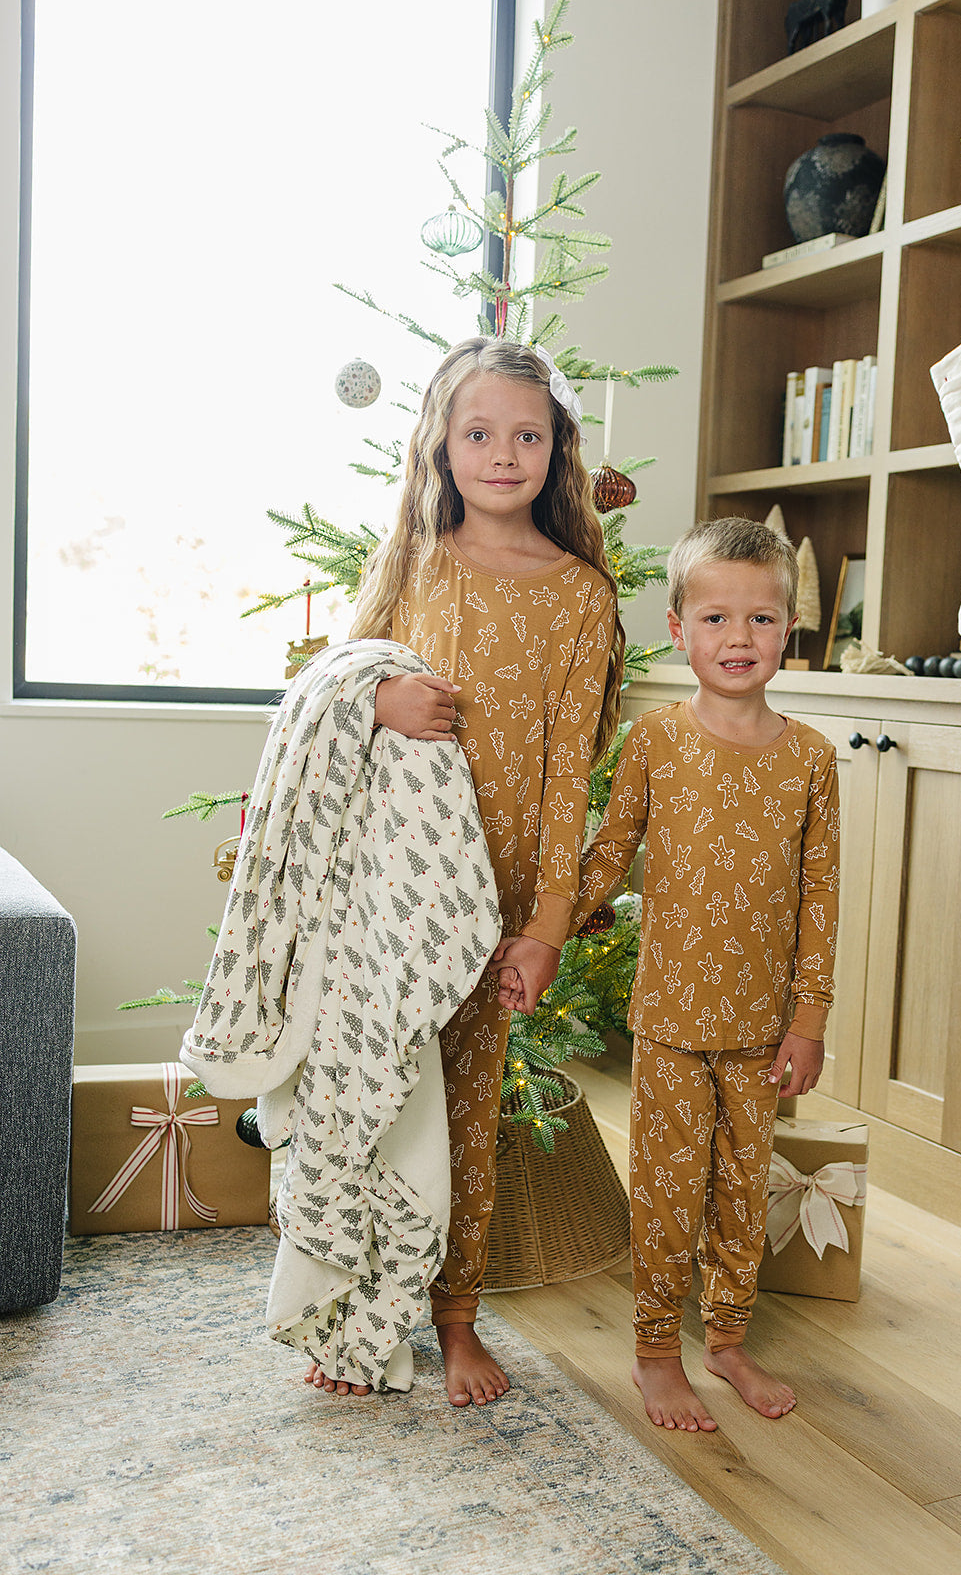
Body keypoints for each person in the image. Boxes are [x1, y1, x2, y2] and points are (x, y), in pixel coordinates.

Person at [306, 335, 624, 1406]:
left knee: (467, 1105)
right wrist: (377, 699)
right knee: (371, 1093)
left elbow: (569, 774)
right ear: (440, 443)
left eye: (526, 436)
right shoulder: (412, 561)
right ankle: (354, 1317)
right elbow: (338, 683)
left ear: (556, 448)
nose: (501, 454)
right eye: (478, 432)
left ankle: (454, 1322)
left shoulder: (579, 594)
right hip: (390, 885)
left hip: (494, 898)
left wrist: (545, 923)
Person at [544, 517, 839, 1433]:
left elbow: (820, 896)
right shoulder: (654, 739)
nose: (737, 637)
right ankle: (653, 1353)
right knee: (669, 1188)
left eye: (759, 618)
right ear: (678, 629)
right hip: (670, 1018)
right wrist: (544, 927)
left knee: (742, 1188)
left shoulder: (811, 758)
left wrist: (808, 1021)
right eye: (715, 618)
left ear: (786, 628)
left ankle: (727, 1340)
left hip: (761, 1026)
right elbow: (608, 852)